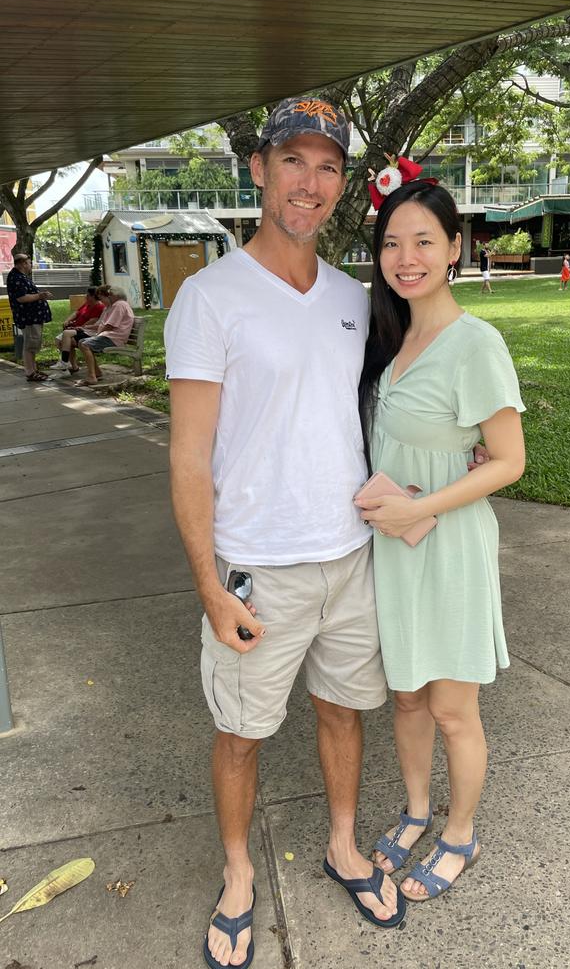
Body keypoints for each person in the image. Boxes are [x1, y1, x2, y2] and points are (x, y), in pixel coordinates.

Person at [164, 96, 411, 969]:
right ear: (260, 169)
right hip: (257, 570)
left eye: (329, 166)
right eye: (294, 161)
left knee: (344, 714)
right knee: (242, 732)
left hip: (349, 557)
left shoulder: (355, 298)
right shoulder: (209, 298)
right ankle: (238, 873)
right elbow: (190, 458)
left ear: (343, 183)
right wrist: (206, 585)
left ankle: (344, 845)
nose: (311, 182)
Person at [355, 175, 525, 905]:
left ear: (455, 248)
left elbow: (511, 460)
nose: (407, 257)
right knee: (407, 700)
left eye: (424, 240)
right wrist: (392, 517)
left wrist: (426, 505)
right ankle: (417, 811)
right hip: (394, 551)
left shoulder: (475, 343)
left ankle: (461, 833)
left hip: (449, 551)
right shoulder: (387, 337)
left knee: (454, 708)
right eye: (393, 243)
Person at [6, 252, 53, 382]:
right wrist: (40, 296)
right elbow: (21, 298)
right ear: (23, 264)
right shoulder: (16, 278)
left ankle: (33, 369)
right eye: (29, 262)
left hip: (33, 316)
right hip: (29, 317)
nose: (31, 265)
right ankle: (30, 372)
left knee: (33, 344)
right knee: (30, 344)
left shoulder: (21, 276)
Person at [78, 286, 134, 385]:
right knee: (82, 342)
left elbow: (110, 325)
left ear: (116, 296)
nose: (108, 297)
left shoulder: (119, 305)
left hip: (114, 338)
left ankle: (92, 377)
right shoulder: (117, 305)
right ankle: (97, 372)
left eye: (110, 295)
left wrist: (97, 335)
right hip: (111, 336)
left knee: (85, 344)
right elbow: (105, 324)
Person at [50, 286, 105, 373]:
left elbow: (92, 322)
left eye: (88, 296)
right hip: (78, 329)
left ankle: (65, 364)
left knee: (67, 338)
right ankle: (70, 365)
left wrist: (78, 327)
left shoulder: (99, 307)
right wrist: (68, 320)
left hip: (85, 330)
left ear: (93, 296)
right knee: (60, 340)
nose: (86, 297)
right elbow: (76, 313)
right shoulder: (87, 304)